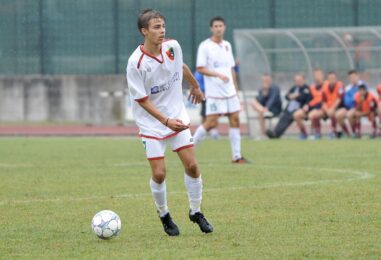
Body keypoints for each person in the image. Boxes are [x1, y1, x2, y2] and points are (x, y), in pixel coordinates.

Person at [126, 9, 213, 236]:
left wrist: (195, 86)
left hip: (177, 116)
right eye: (156, 27)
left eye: (163, 25)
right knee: (160, 174)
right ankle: (164, 214)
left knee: (192, 166)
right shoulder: (136, 63)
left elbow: (182, 68)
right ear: (144, 31)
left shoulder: (173, 47)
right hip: (152, 124)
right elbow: (142, 100)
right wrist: (165, 121)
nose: (161, 30)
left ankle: (196, 211)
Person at [193, 16, 249, 163]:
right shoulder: (205, 46)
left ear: (224, 28)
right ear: (212, 28)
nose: (218, 28)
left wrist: (235, 89)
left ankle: (237, 156)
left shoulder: (227, 45)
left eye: (221, 26)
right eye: (216, 26)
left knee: (235, 119)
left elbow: (231, 69)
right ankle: (189, 148)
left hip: (229, 92)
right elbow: (200, 68)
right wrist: (217, 74)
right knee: (211, 123)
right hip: (215, 92)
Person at [266, 73, 311, 139]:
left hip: (299, 109)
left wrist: (295, 96)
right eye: (296, 80)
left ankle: (304, 133)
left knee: (294, 116)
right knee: (283, 119)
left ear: (303, 80)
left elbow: (304, 97)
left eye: (299, 80)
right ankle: (275, 133)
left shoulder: (306, 88)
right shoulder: (294, 88)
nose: (298, 82)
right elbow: (287, 96)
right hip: (289, 109)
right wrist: (294, 95)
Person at [293, 69, 324, 139]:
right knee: (296, 115)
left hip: (322, 108)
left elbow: (321, 100)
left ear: (322, 75)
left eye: (319, 75)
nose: (317, 77)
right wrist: (307, 105)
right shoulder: (312, 87)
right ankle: (304, 133)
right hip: (311, 108)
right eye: (315, 75)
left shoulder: (326, 86)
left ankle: (316, 133)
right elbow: (309, 99)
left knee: (312, 115)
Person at [335, 70, 365, 137]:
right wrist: (355, 99)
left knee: (349, 115)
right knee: (338, 115)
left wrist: (356, 101)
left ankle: (355, 132)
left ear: (358, 76)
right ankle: (347, 133)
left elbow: (365, 97)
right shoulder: (348, 88)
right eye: (351, 78)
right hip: (350, 107)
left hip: (360, 107)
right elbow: (347, 101)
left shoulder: (362, 85)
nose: (353, 79)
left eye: (354, 77)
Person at [194, 70, 219, 139]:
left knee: (214, 113)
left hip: (213, 95)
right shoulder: (199, 71)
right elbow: (196, 82)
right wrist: (201, 92)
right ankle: (202, 134)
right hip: (204, 94)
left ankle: (214, 132)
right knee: (204, 114)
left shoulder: (212, 69)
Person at [320, 72, 345, 138]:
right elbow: (323, 101)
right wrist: (327, 110)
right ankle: (317, 133)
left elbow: (339, 99)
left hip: (340, 107)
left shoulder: (340, 85)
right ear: (327, 79)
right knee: (314, 115)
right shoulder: (324, 86)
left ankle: (344, 132)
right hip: (328, 108)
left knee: (335, 113)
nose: (332, 80)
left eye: (333, 78)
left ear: (336, 79)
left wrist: (332, 109)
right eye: (330, 78)